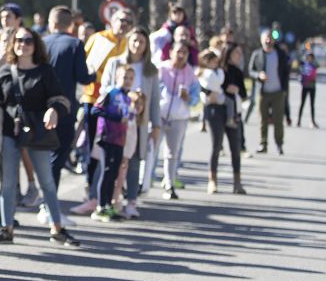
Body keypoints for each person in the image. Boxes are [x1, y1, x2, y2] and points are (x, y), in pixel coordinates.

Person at [0, 27, 77, 246]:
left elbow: (61, 99)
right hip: (9, 132)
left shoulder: (45, 71)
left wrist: (53, 110)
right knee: (8, 183)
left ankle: (57, 229)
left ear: (35, 45)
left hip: (38, 132)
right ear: (12, 44)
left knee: (47, 182)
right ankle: (6, 229)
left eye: (28, 40)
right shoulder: (6, 71)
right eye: (18, 40)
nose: (22, 44)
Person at [73, 9, 132, 215]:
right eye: (121, 20)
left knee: (116, 153)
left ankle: (111, 193)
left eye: (128, 21)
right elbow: (83, 64)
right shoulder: (99, 39)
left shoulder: (129, 44)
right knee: (94, 149)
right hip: (94, 100)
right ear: (111, 21)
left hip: (121, 108)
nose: (124, 24)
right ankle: (92, 190)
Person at [99, 27, 161, 219]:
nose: (137, 45)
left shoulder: (150, 70)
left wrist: (155, 125)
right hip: (114, 122)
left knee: (134, 161)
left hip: (138, 123)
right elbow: (104, 90)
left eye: (141, 42)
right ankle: (106, 201)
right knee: (111, 163)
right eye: (134, 41)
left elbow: (155, 101)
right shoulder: (116, 63)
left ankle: (131, 201)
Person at [42, 6, 94, 191]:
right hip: (64, 109)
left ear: (52, 22)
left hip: (40, 108)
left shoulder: (41, 42)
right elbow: (82, 77)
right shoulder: (75, 44)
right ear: (70, 25)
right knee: (57, 156)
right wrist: (93, 74)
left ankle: (44, 198)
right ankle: (49, 200)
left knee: (43, 156)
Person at [91, 63, 136, 222]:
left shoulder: (128, 98)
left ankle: (109, 206)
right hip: (107, 137)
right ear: (117, 77)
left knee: (114, 173)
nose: (127, 81)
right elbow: (95, 110)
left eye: (131, 78)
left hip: (120, 139)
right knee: (107, 171)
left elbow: (128, 117)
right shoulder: (110, 93)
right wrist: (116, 118)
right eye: (124, 77)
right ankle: (100, 206)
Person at [158, 41, 200, 199]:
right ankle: (143, 181)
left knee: (172, 152)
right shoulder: (161, 69)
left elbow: (196, 98)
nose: (181, 55)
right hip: (160, 115)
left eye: (185, 53)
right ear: (171, 53)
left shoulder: (190, 74)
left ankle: (169, 183)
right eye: (178, 52)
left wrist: (188, 98)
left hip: (179, 118)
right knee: (151, 149)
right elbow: (154, 89)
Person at [201, 46, 245, 194]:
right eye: (236, 53)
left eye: (240, 53)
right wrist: (209, 94)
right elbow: (203, 86)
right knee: (216, 146)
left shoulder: (237, 72)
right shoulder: (214, 70)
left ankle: (237, 183)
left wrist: (236, 90)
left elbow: (244, 92)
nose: (239, 55)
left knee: (235, 148)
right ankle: (212, 181)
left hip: (233, 112)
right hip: (216, 110)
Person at [248, 29, 289, 155]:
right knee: (263, 119)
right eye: (265, 38)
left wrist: (284, 89)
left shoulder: (280, 54)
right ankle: (263, 143)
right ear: (261, 40)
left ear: (273, 40)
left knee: (278, 120)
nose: (268, 40)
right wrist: (258, 75)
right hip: (263, 92)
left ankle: (279, 144)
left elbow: (286, 71)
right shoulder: (257, 54)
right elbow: (250, 71)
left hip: (277, 92)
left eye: (270, 38)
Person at [298, 52, 319, 127]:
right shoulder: (304, 64)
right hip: (305, 86)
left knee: (312, 105)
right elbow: (298, 63)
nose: (309, 58)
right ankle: (299, 120)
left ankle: (313, 121)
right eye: (308, 57)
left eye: (311, 57)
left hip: (312, 86)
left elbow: (317, 65)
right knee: (302, 104)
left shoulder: (314, 65)